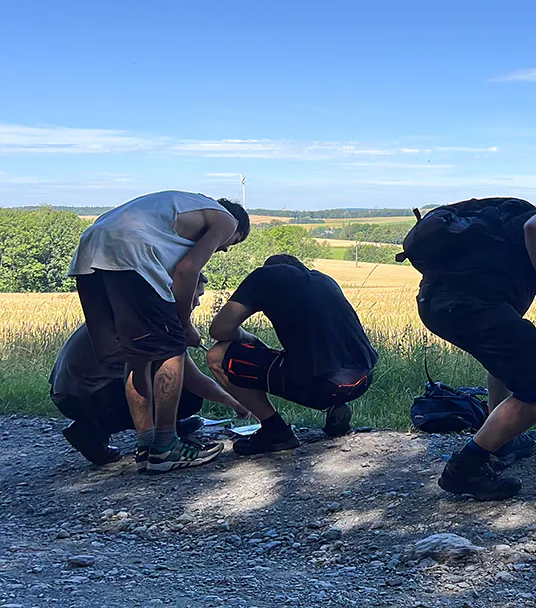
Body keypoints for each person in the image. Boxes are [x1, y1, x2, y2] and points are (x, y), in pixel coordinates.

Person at [416, 199, 536, 500]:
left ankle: (501, 441)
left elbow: (502, 366)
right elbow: (535, 227)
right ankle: (466, 467)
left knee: (510, 364)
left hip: (436, 304)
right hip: (470, 305)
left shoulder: (515, 257)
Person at [69, 190, 250, 473]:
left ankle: (147, 445)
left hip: (91, 249)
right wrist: (184, 325)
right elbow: (187, 270)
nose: (222, 249)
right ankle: (167, 446)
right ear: (236, 229)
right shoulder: (225, 220)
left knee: (137, 354)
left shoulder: (181, 208)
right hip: (131, 250)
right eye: (230, 244)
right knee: (171, 351)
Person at [51, 275, 251, 465]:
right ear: (183, 293)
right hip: (91, 398)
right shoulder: (158, 319)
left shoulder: (138, 309)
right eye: (197, 296)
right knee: (186, 395)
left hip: (66, 392)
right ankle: (91, 432)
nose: (198, 303)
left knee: (161, 376)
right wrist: (235, 403)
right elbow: (193, 380)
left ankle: (165, 427)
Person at [207, 254, 379, 455]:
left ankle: (276, 431)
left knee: (217, 355)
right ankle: (337, 408)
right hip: (363, 379)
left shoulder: (264, 277)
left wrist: (246, 336)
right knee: (320, 356)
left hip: (323, 384)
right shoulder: (324, 280)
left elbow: (219, 330)